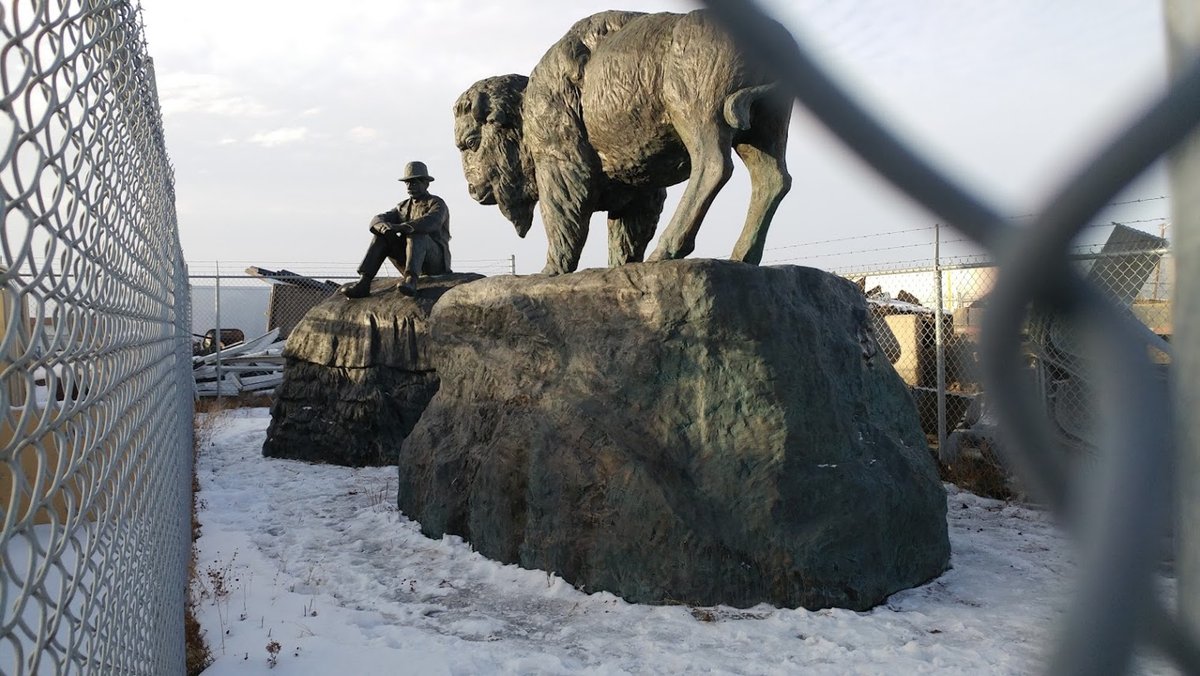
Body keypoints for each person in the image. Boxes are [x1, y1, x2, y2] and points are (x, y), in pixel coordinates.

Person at [341, 161, 452, 298]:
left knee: (416, 233)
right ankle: (364, 282)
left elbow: (431, 222)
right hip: (407, 259)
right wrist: (384, 228)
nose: (410, 186)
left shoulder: (436, 203)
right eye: (408, 183)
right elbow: (377, 219)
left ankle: (411, 281)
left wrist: (400, 227)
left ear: (426, 183)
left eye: (415, 182)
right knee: (382, 236)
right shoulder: (402, 207)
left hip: (434, 263)